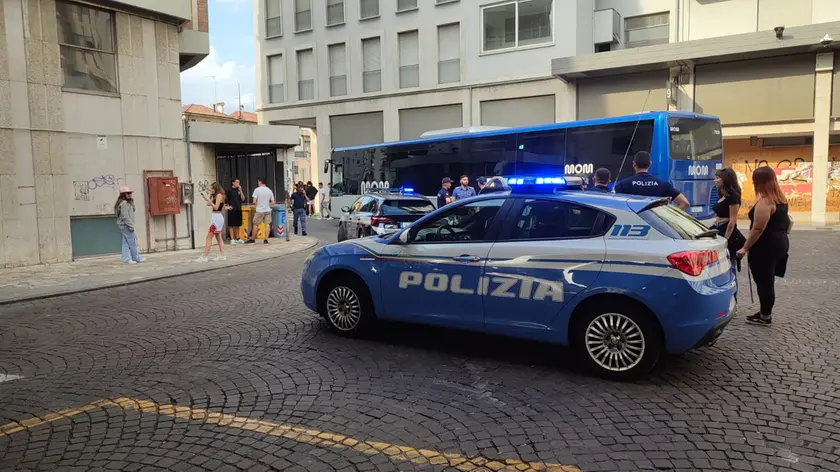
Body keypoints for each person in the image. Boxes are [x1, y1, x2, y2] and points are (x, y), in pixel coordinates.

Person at [737, 167, 790, 326]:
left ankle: (765, 316)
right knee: (768, 279)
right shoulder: (781, 199)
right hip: (780, 242)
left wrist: (744, 248)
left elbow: (758, 229)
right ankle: (764, 312)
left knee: (764, 281)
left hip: (765, 246)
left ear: (759, 182)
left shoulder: (766, 201)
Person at [613, 151, 690, 210]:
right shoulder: (663, 185)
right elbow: (685, 203)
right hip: (656, 225)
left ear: (634, 164)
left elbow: (614, 206)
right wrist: (668, 218)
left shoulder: (623, 184)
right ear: (650, 164)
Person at [711, 168, 745, 271]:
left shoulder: (733, 197)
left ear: (725, 179)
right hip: (718, 228)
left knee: (729, 264)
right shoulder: (721, 195)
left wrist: (726, 239)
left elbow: (732, 221)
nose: (714, 180)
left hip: (727, 232)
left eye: (717, 178)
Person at [197, 182, 226, 262]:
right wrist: (209, 197)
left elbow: (216, 207)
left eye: (212, 189)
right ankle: (222, 255)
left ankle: (204, 257)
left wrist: (209, 200)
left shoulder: (219, 195)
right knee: (218, 237)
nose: (210, 190)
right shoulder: (217, 195)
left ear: (215, 188)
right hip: (216, 218)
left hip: (216, 219)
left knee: (209, 237)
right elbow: (208, 204)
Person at [115, 186, 143, 264]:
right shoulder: (124, 203)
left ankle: (127, 258)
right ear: (123, 194)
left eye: (130, 193)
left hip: (125, 225)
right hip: (126, 226)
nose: (130, 194)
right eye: (128, 193)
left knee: (125, 243)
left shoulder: (126, 203)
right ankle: (136, 258)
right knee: (132, 242)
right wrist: (131, 225)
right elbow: (125, 216)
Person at [246, 178, 275, 245]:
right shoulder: (269, 190)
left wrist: (259, 204)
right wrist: (267, 204)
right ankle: (266, 240)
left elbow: (254, 201)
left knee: (255, 224)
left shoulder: (257, 190)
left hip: (259, 210)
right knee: (267, 224)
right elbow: (273, 202)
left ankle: (252, 239)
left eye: (258, 182)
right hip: (267, 210)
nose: (257, 183)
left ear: (260, 182)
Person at [225, 178, 245, 244]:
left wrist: (241, 190)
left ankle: (238, 238)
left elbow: (243, 199)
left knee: (238, 224)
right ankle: (232, 238)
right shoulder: (229, 190)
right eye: (237, 182)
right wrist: (227, 207)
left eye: (239, 182)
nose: (238, 184)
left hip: (238, 208)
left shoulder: (238, 190)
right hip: (232, 209)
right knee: (231, 224)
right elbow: (225, 199)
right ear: (233, 183)